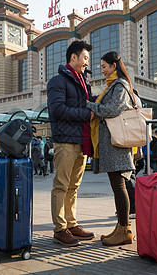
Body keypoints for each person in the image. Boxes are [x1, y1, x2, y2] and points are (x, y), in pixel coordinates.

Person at [47, 40, 95, 247]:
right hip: (65, 141)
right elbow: (57, 110)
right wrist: (87, 114)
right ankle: (60, 229)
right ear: (73, 57)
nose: (86, 63)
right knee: (61, 185)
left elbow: (88, 105)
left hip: (82, 141)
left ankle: (71, 224)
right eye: (84, 58)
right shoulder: (58, 81)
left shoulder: (84, 82)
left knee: (73, 187)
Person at [86, 51, 136, 246]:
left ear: (114, 66)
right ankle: (121, 227)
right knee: (118, 187)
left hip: (117, 144)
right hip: (113, 145)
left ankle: (124, 231)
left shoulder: (120, 85)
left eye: (105, 66)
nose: (103, 71)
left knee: (119, 186)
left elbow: (112, 109)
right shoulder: (112, 86)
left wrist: (89, 105)